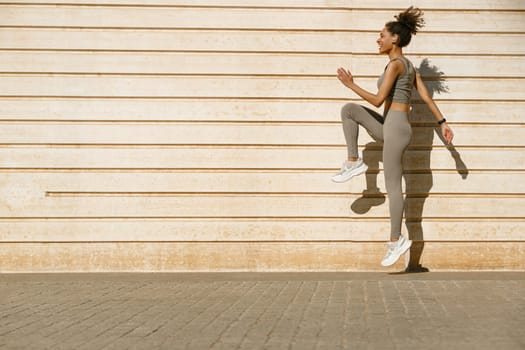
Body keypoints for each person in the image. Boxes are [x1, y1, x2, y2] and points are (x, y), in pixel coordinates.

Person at [331, 7, 454, 267]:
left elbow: (377, 100)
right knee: (349, 110)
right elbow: (426, 97)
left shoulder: (397, 65)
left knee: (395, 186)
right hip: (391, 125)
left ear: (394, 39)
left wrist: (350, 84)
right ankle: (354, 161)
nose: (378, 39)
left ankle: (395, 239)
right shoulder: (406, 66)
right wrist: (442, 122)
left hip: (396, 127)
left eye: (381, 35)